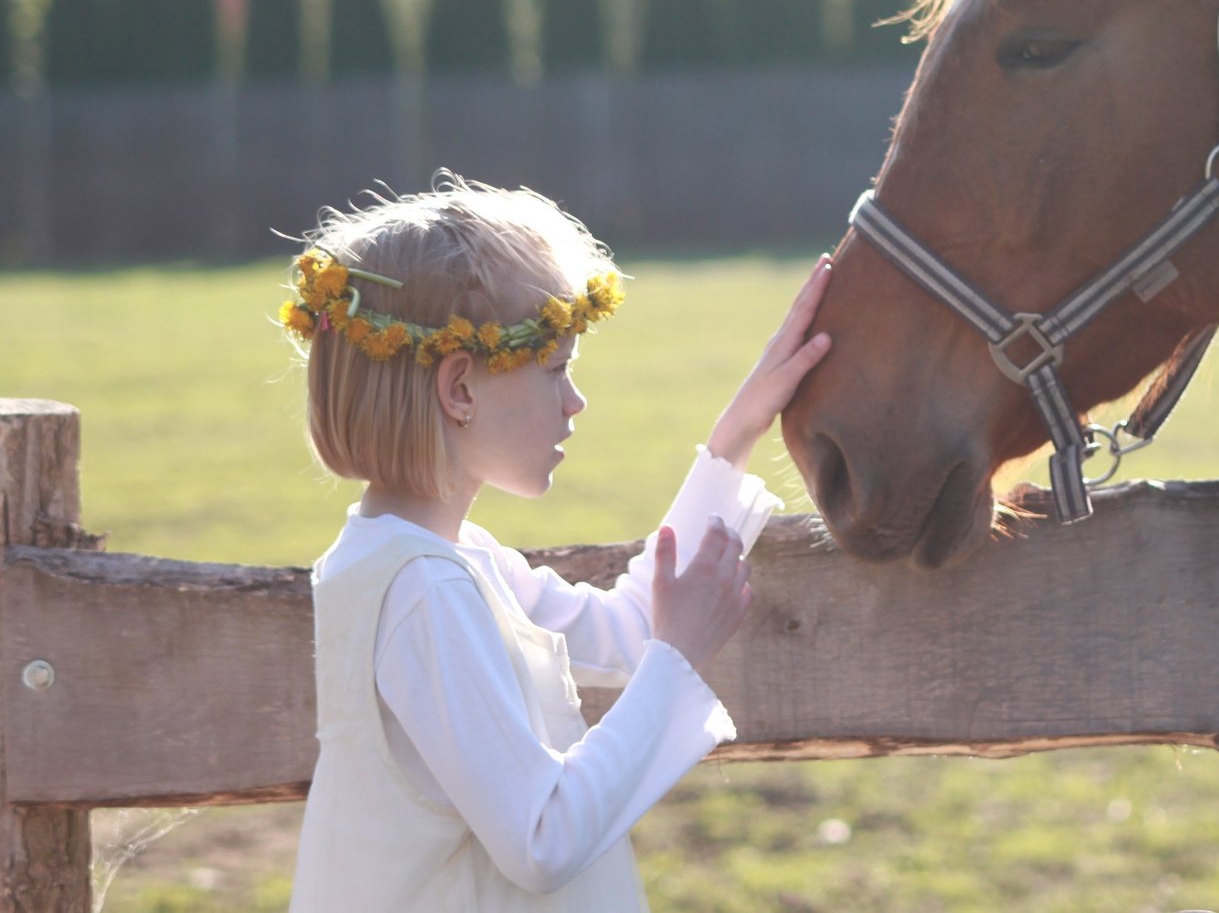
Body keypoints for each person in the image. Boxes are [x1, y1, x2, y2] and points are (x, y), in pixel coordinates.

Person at [282, 174, 831, 911]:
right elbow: (541, 838)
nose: (575, 401)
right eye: (555, 369)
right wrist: (678, 660)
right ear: (460, 389)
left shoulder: (447, 560)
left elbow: (627, 629)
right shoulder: (424, 589)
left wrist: (736, 432)